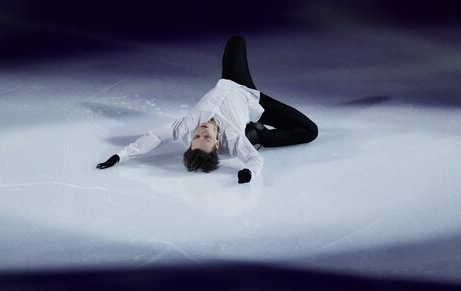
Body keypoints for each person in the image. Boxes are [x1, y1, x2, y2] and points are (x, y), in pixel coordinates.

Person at [97, 36, 318, 184]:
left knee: (236, 41)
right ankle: (263, 136)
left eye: (196, 136)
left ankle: (255, 132)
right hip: (251, 97)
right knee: (310, 131)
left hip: (231, 80)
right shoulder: (232, 136)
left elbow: (154, 136)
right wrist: (249, 173)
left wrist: (120, 155)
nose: (201, 130)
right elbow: (254, 160)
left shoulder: (186, 127)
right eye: (206, 136)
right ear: (217, 142)